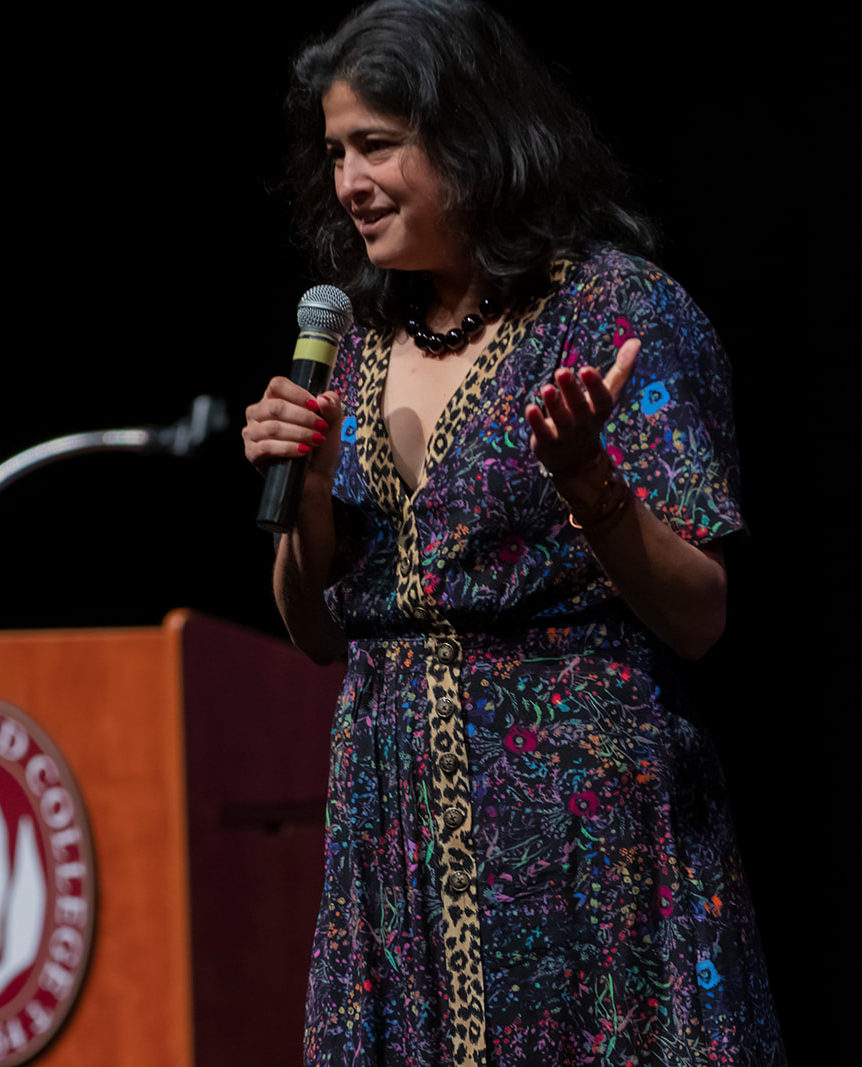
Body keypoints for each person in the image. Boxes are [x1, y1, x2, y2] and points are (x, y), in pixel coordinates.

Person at [242, 2, 786, 1063]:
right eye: (336, 153)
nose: (351, 181)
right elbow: (313, 630)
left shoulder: (619, 317)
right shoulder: (352, 342)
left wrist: (587, 478)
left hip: (584, 838)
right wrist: (305, 496)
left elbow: (699, 615)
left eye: (377, 146)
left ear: (471, 138)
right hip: (389, 823)